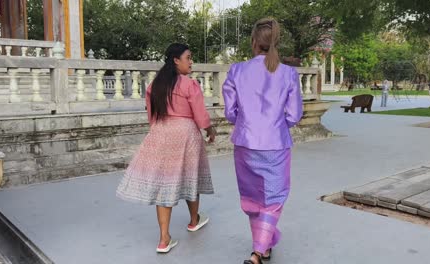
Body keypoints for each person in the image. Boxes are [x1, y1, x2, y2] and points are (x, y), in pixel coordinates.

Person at [116, 43, 216, 253]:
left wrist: (159, 132)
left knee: (164, 183)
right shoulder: (189, 84)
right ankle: (194, 220)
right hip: (186, 133)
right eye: (188, 57)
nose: (191, 62)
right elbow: (200, 115)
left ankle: (164, 239)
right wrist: (210, 130)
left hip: (161, 132)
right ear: (176, 60)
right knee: (191, 176)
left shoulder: (155, 85)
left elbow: (151, 116)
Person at [222, 18, 303, 264]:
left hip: (245, 143)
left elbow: (230, 112)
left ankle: (263, 246)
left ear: (254, 42)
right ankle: (259, 251)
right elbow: (294, 115)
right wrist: (275, 126)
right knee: (273, 198)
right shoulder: (289, 73)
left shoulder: (237, 70)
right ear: (275, 42)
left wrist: (248, 124)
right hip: (276, 143)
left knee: (252, 197)